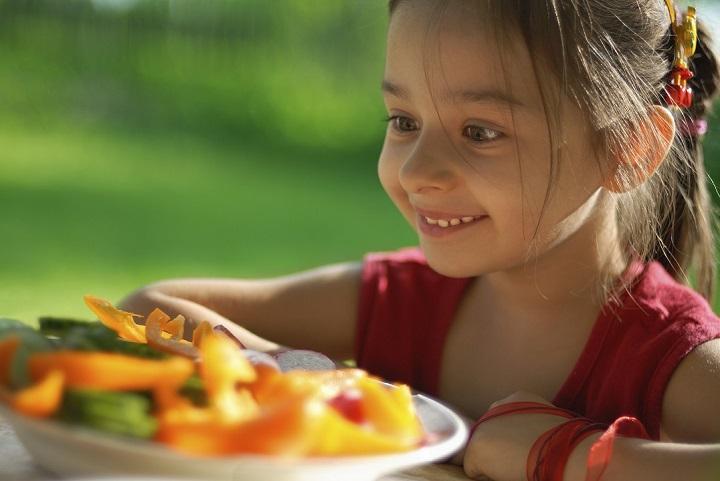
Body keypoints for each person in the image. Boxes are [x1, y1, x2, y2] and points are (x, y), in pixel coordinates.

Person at [120, 0, 720, 479]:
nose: (415, 172)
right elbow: (147, 309)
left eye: (480, 131)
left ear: (630, 148)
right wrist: (337, 389)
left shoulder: (666, 354)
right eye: (404, 121)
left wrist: (567, 457)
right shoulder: (403, 303)